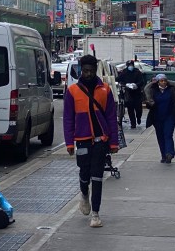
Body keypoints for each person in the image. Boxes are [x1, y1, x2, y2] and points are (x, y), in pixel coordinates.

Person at [63, 54, 119, 229]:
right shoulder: (72, 91)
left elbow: (111, 117)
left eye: (91, 70)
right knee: (84, 173)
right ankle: (84, 194)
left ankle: (95, 213)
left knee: (97, 176)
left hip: (101, 140)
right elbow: (68, 119)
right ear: (81, 70)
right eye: (85, 70)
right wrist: (69, 143)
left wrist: (114, 142)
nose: (88, 74)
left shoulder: (105, 90)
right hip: (82, 140)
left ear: (96, 70)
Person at [144, 74, 175, 163]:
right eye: (161, 81)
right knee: (160, 136)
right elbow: (147, 97)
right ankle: (163, 155)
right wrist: (150, 102)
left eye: (165, 80)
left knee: (168, 135)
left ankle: (169, 153)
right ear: (157, 82)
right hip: (157, 117)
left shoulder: (171, 90)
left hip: (170, 116)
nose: (163, 82)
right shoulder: (153, 90)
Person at [117, 60, 145, 129]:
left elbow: (141, 81)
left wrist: (136, 85)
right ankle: (133, 123)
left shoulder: (137, 72)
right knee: (130, 109)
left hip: (137, 93)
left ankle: (138, 117)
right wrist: (126, 84)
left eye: (131, 65)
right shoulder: (124, 72)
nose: (130, 67)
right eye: (129, 65)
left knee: (138, 109)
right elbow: (118, 79)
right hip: (128, 93)